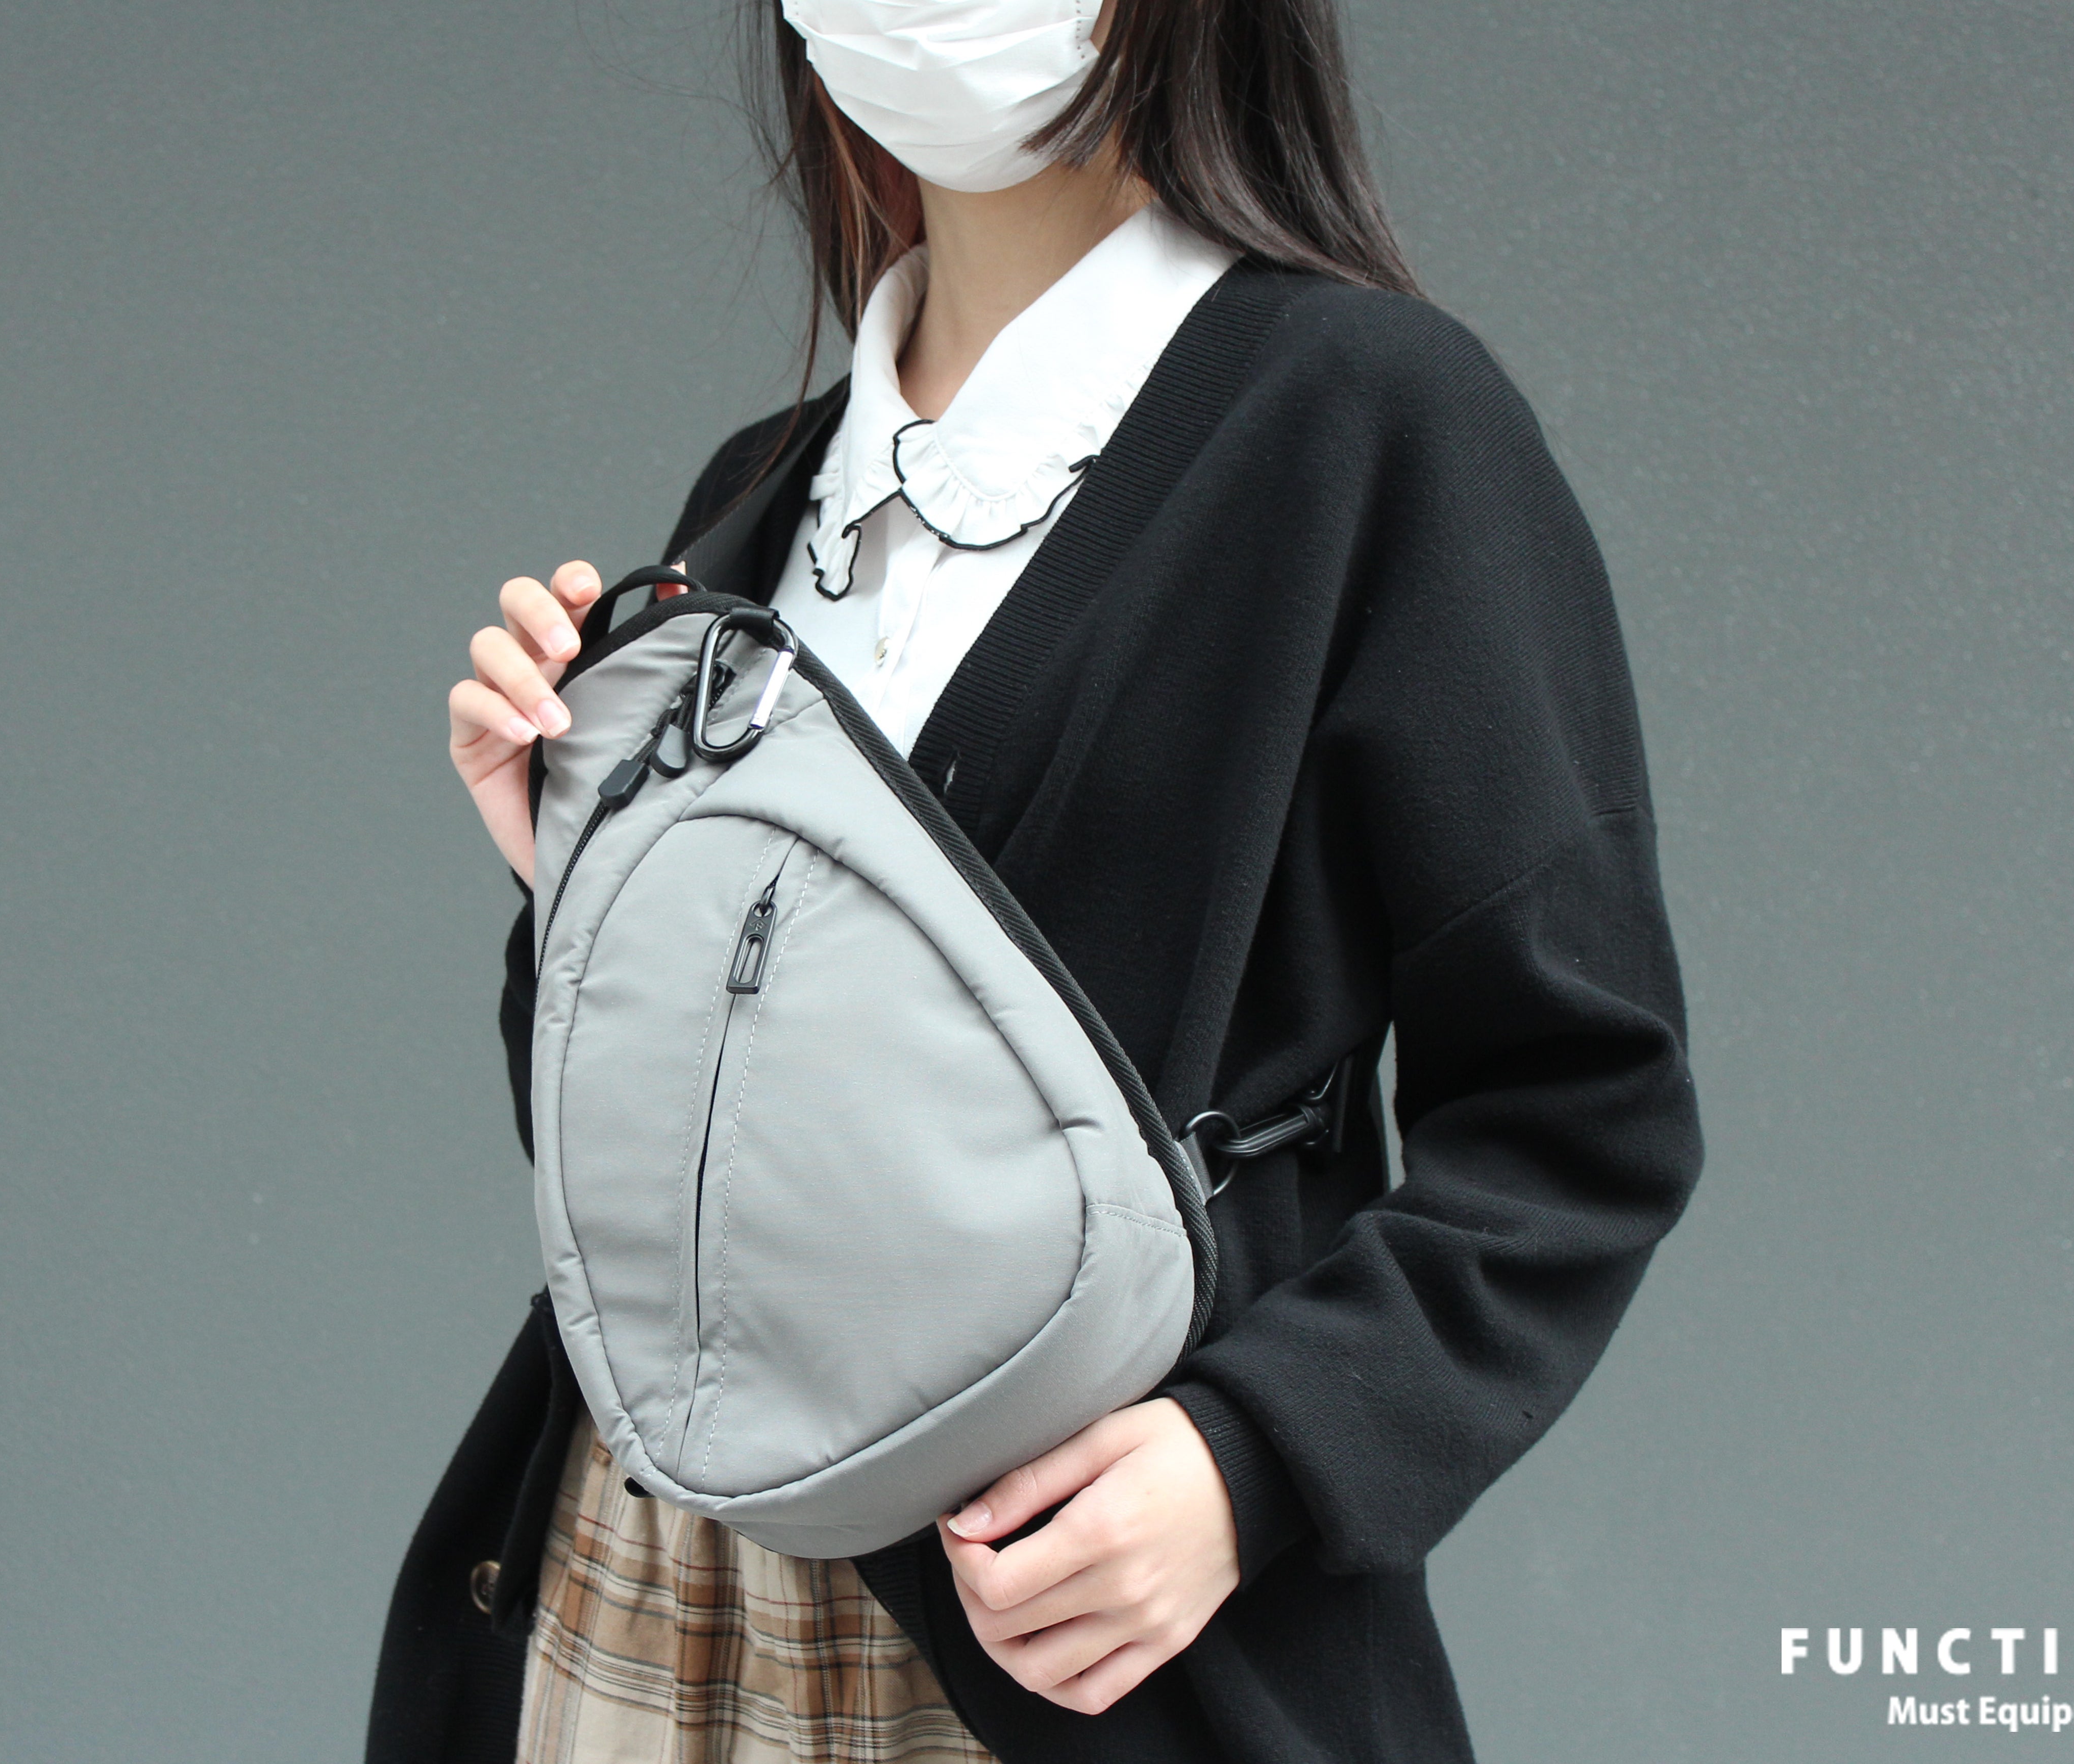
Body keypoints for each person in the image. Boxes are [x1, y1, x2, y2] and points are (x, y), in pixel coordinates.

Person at [373, 2, 1707, 1760]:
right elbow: (687, 1188)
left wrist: (1252, 1461)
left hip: (1064, 1639)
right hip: (633, 1601)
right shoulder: (760, 501)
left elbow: (1581, 1108)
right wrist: (577, 888)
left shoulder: (1371, 427)